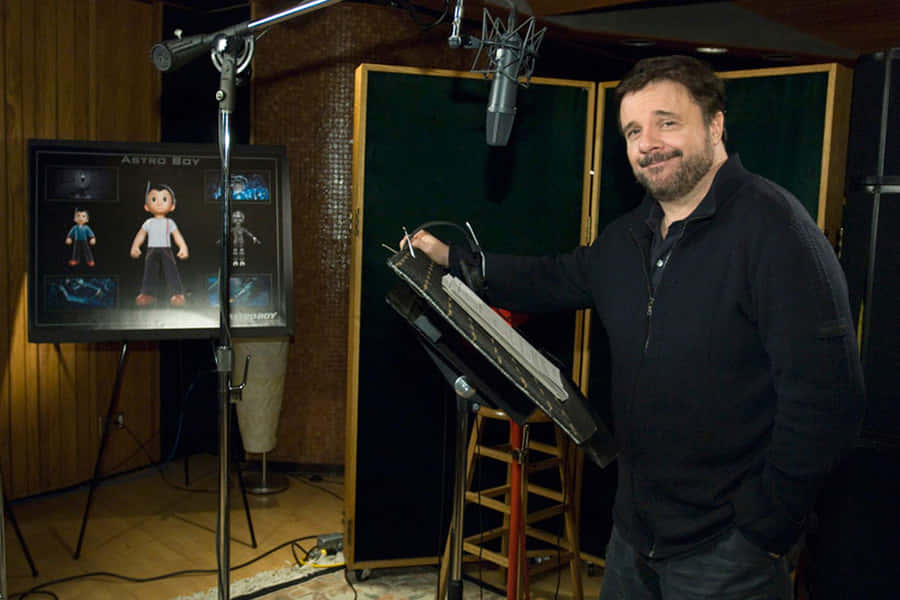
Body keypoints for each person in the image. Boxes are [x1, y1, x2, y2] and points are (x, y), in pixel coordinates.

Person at [403, 55, 864, 599]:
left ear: (715, 125)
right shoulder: (627, 238)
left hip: (728, 548)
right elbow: (551, 278)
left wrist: (767, 526)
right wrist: (453, 258)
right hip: (635, 533)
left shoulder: (778, 232)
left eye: (667, 122)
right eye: (633, 130)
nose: (649, 143)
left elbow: (829, 400)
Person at [130, 182, 189, 307]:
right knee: (149, 271)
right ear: (146, 206)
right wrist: (135, 246)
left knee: (171, 270)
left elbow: (177, 235)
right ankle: (147, 294)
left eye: (164, 199)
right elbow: (141, 235)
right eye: (154, 199)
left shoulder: (170, 222)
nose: (159, 203)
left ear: (172, 206)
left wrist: (183, 247)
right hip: (151, 249)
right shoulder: (148, 222)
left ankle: (177, 294)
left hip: (166, 249)